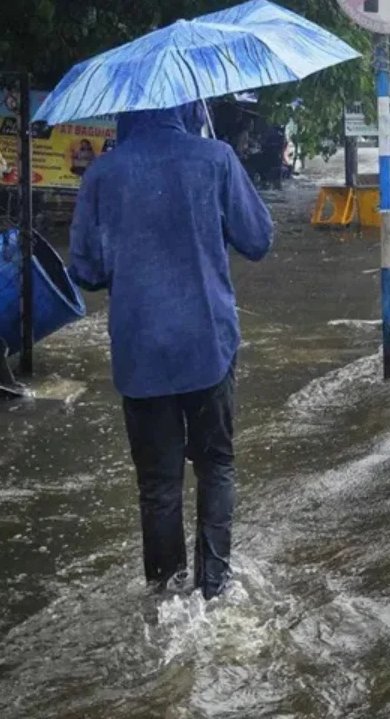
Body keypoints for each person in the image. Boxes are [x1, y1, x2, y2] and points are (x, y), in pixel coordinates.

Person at [67, 101, 273, 600]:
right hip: (209, 345)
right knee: (215, 466)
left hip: (140, 352)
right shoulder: (217, 159)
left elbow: (86, 271)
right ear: (186, 106)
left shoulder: (102, 174)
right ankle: (214, 591)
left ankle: (165, 601)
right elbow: (259, 238)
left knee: (158, 486)